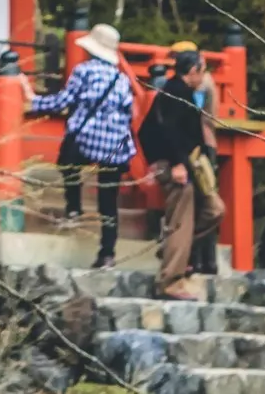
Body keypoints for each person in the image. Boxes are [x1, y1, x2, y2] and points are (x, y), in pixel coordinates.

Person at [30, 22, 135, 268]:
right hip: (117, 145)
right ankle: (107, 253)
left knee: (67, 161)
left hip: (87, 139)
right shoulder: (122, 78)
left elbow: (63, 101)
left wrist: (32, 101)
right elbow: (129, 110)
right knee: (108, 200)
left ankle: (74, 209)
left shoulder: (84, 71)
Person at [137, 48, 226, 298]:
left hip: (192, 165)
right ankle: (170, 280)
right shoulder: (174, 93)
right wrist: (173, 163)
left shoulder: (184, 92)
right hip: (179, 168)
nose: (204, 75)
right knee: (180, 220)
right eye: (203, 70)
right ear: (194, 71)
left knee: (214, 210)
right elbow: (166, 131)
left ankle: (172, 250)